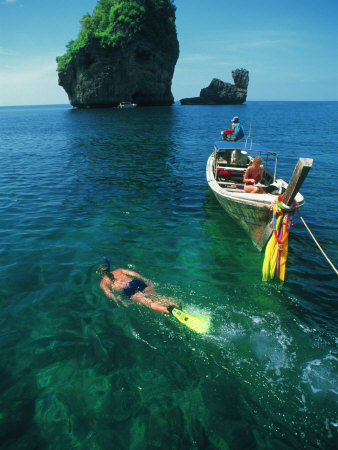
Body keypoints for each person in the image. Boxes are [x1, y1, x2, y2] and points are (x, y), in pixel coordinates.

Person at [96, 259, 179, 314]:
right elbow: (133, 273)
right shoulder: (119, 270)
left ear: (100, 273)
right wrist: (146, 280)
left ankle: (168, 311)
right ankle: (174, 304)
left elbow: (109, 294)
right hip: (135, 282)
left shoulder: (103, 283)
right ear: (108, 269)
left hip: (127, 290)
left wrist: (119, 302)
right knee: (156, 296)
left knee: (148, 303)